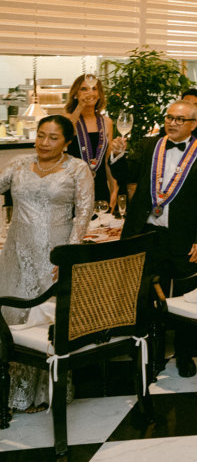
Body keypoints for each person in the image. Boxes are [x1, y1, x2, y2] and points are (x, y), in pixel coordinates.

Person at [111, 100, 197, 377]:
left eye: (179, 119)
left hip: (183, 237)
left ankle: (184, 353)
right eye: (169, 117)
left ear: (193, 124)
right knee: (141, 294)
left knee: (185, 295)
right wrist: (117, 155)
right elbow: (126, 174)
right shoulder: (150, 146)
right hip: (146, 233)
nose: (172, 123)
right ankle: (146, 351)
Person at [0, 116, 94, 411]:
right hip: (17, 250)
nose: (44, 143)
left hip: (55, 253)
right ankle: (11, 389)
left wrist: (69, 255)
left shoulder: (78, 168)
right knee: (14, 313)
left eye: (53, 138)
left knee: (45, 317)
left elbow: (84, 213)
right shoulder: (18, 164)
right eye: (41, 135)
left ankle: (44, 392)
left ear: (67, 142)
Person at [64, 73, 116, 204]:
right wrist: (80, 107)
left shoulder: (106, 122)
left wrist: (114, 188)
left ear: (99, 94)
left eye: (94, 89)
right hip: (72, 184)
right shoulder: (68, 119)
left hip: (99, 185)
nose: (90, 93)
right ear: (75, 94)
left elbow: (107, 160)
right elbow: (65, 136)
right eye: (84, 89)